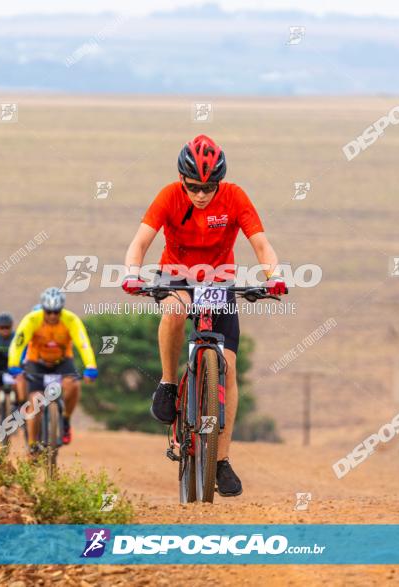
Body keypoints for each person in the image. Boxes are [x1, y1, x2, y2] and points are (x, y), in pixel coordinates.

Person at [121, 134, 286, 497]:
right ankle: (167, 384)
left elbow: (261, 244)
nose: (200, 194)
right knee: (176, 311)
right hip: (175, 275)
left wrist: (274, 277)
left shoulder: (235, 197)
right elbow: (140, 242)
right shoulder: (168, 196)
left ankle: (221, 460)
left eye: (209, 187)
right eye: (193, 186)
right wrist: (133, 273)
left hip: (219, 279)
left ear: (220, 182)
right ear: (182, 180)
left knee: (227, 366)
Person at [8, 287, 97, 450]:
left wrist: (91, 365)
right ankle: (32, 445)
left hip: (62, 361)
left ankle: (65, 420)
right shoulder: (32, 319)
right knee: (35, 402)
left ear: (61, 310)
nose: (52, 316)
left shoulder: (70, 320)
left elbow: (83, 344)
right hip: (37, 363)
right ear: (43, 309)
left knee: (74, 385)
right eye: (49, 312)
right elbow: (18, 343)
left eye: (56, 312)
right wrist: (13, 364)